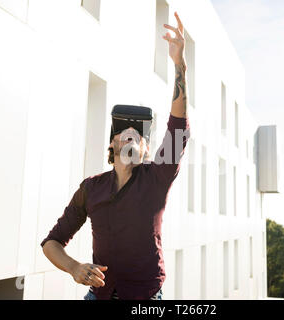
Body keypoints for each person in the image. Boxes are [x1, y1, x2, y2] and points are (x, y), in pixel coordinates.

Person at [40, 11, 190, 300]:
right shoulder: (90, 188)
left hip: (146, 298)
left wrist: (179, 64)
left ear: (147, 150)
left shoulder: (158, 177)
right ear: (112, 144)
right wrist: (73, 267)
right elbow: (52, 242)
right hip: (99, 296)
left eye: (140, 134)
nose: (132, 132)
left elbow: (178, 127)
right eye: (124, 130)